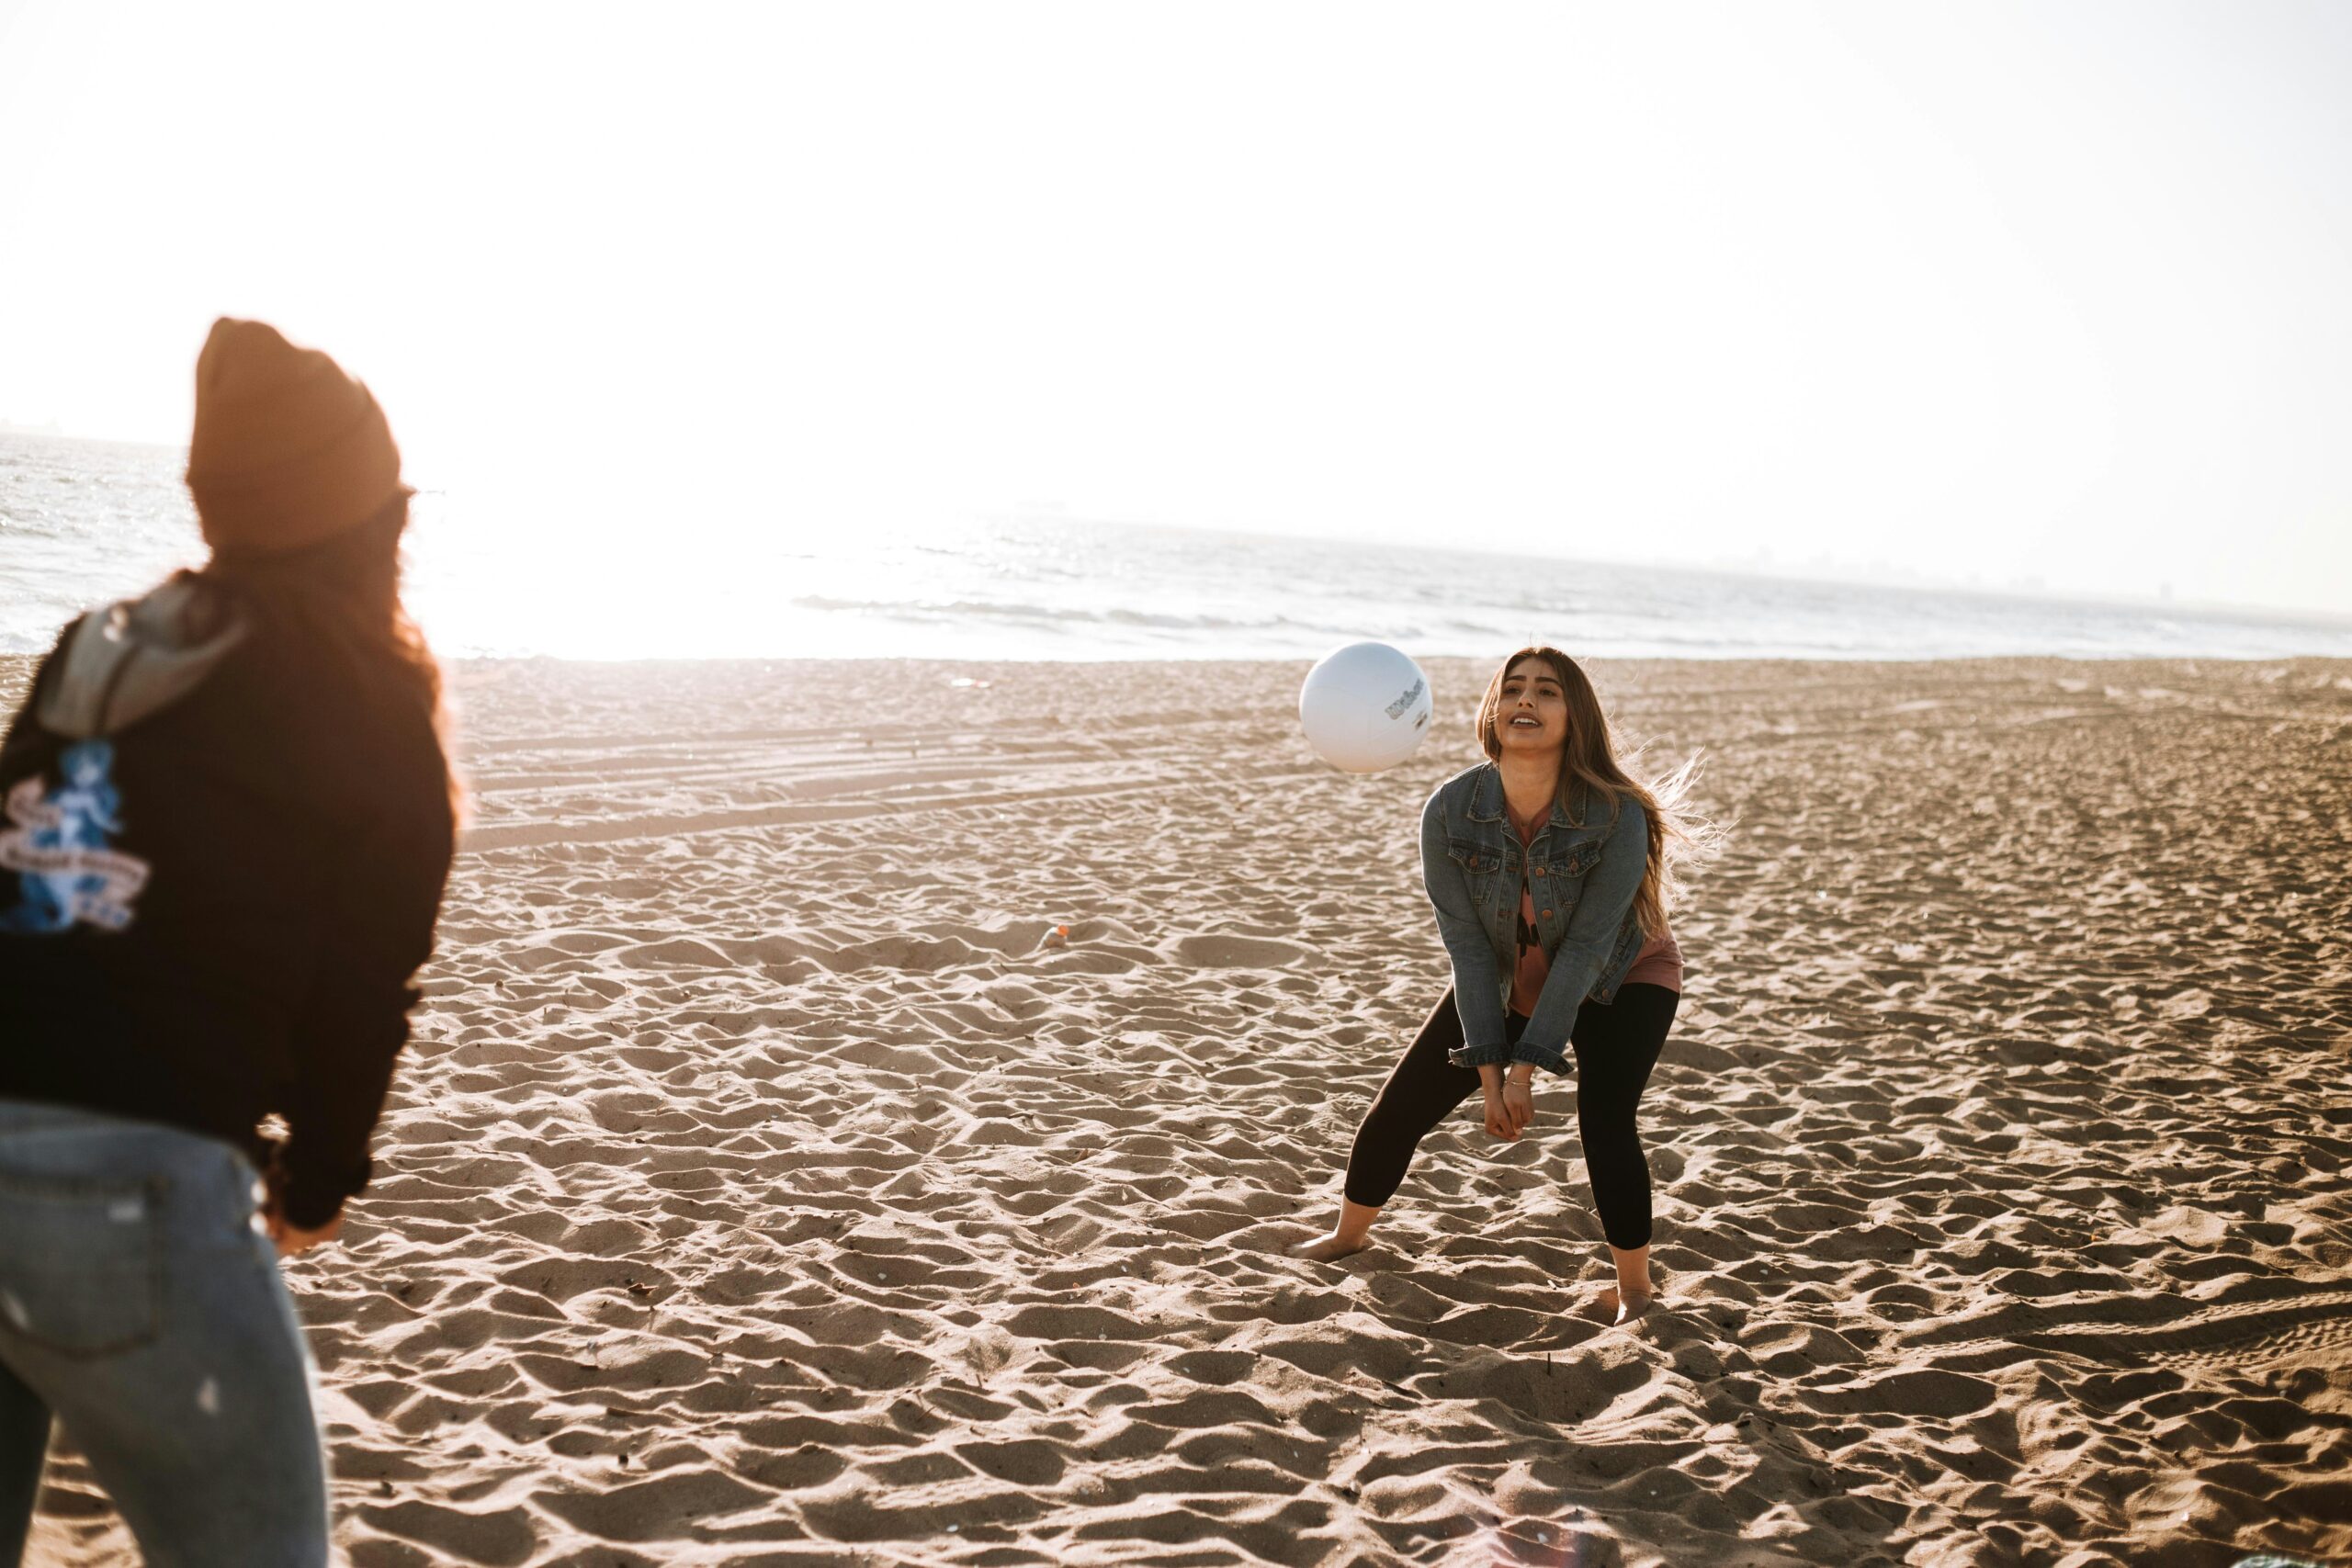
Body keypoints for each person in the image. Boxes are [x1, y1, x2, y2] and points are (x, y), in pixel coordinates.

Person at [0, 320, 456, 1564]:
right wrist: (315, 1180)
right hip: (130, 1193)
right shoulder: (366, 698)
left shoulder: (99, 652)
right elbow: (367, 987)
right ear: (364, 522)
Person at [1293, 646, 1710, 1325]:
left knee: (1605, 1119)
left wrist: (1523, 1073)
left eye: (1547, 691)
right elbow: (1466, 947)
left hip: (1622, 975)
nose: (1526, 699)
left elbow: (1583, 949)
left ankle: (1635, 1287)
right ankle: (1348, 1233)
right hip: (1509, 976)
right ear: (1491, 710)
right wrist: (1487, 1070)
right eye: (1512, 687)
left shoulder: (1615, 814)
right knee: (1398, 1108)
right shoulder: (1450, 811)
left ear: (1576, 717)